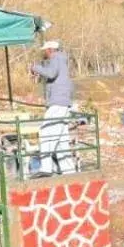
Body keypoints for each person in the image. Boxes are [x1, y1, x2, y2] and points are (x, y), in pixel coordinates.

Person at [30, 38, 77, 173]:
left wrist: (35, 67)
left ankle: (46, 167)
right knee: (61, 138)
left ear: (50, 50)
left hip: (58, 102)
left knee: (46, 132)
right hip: (63, 102)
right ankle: (69, 170)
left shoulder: (56, 59)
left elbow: (51, 73)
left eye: (45, 51)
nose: (45, 54)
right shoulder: (62, 60)